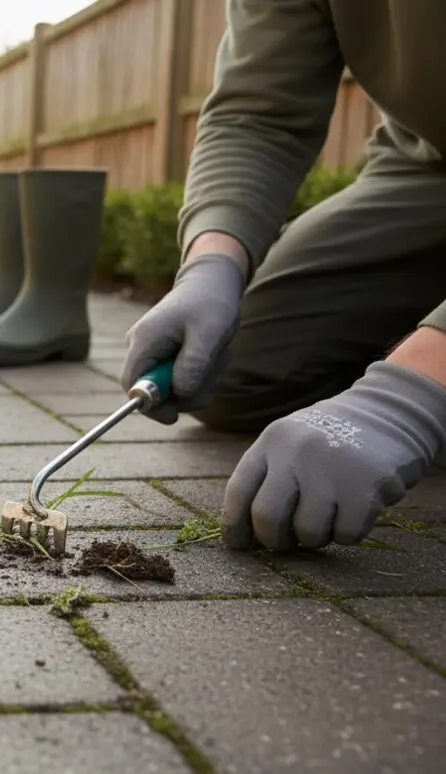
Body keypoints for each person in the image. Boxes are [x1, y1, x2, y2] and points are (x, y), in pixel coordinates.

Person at [120, 0, 446, 553]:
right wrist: (211, 263)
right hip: (428, 172)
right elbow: (257, 112)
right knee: (230, 374)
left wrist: (408, 397)